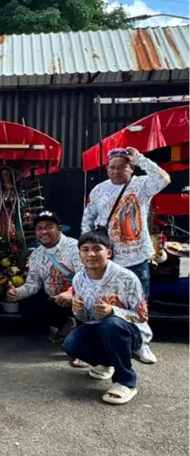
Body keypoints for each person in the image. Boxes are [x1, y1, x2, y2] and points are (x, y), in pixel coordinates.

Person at [80, 146, 169, 365]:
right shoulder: (98, 190)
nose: (116, 171)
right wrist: (86, 246)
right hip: (107, 259)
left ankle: (141, 343)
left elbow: (164, 179)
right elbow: (88, 217)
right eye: (112, 167)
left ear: (131, 168)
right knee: (105, 300)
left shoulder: (141, 184)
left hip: (136, 256)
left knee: (139, 301)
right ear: (106, 169)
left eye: (122, 167)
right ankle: (102, 341)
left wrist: (140, 158)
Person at [62, 230, 149, 405]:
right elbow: (86, 318)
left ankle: (126, 382)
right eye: (85, 250)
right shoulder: (79, 278)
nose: (91, 254)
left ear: (108, 253)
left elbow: (142, 316)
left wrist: (113, 311)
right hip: (99, 328)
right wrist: (77, 309)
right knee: (71, 343)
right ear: (79, 254)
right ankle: (106, 364)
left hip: (129, 332)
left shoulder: (126, 278)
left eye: (97, 249)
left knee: (111, 325)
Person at [6, 211, 80, 344]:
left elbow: (86, 278)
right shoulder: (36, 255)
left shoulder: (75, 247)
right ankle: (64, 323)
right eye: (39, 228)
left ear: (59, 228)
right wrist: (16, 293)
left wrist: (71, 292)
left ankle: (77, 330)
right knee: (29, 306)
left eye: (48, 227)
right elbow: (32, 284)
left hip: (77, 298)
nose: (44, 231)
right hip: (54, 300)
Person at [0, 166, 27, 241]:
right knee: (1, 231)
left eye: (7, 174)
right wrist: (0, 202)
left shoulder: (16, 190)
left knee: (12, 230)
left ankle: (13, 244)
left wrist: (16, 201)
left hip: (12, 215)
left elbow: (22, 203)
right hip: (1, 216)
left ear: (10, 175)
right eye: (3, 174)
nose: (5, 176)